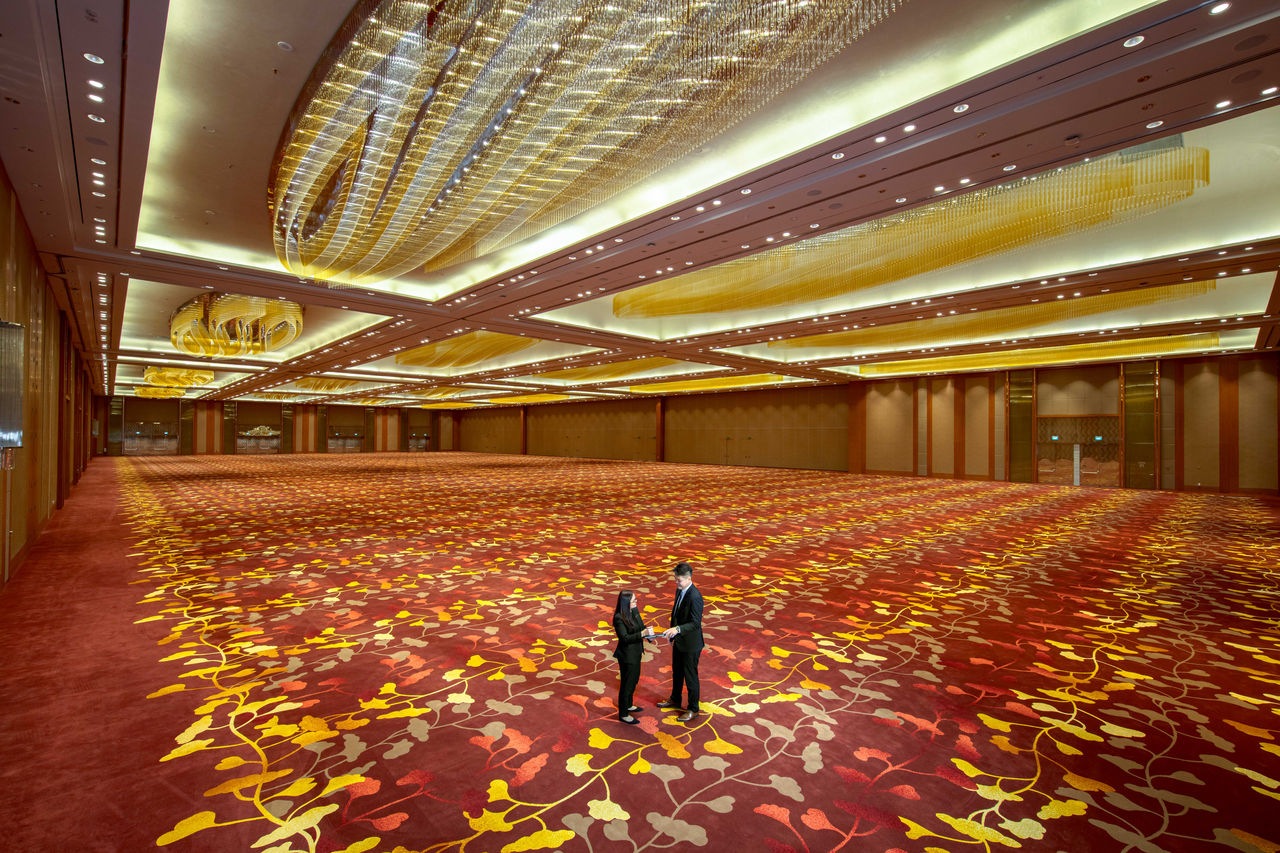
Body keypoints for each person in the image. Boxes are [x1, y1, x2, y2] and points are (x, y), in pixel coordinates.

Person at [659, 561, 704, 722]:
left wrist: (677, 629)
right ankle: (675, 699)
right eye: (675, 579)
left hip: (691, 644)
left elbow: (695, 623)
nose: (676, 582)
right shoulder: (680, 590)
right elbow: (676, 614)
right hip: (679, 640)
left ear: (689, 578)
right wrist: (673, 634)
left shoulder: (695, 596)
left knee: (690, 677)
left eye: (679, 580)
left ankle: (693, 709)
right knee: (677, 672)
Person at [611, 590, 655, 724]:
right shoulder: (619, 618)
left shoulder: (633, 611)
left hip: (636, 653)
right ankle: (623, 714)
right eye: (633, 601)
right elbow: (624, 638)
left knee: (634, 680)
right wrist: (642, 634)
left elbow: (641, 626)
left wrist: (648, 634)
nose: (636, 602)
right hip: (627, 655)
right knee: (627, 684)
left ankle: (629, 705)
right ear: (626, 603)